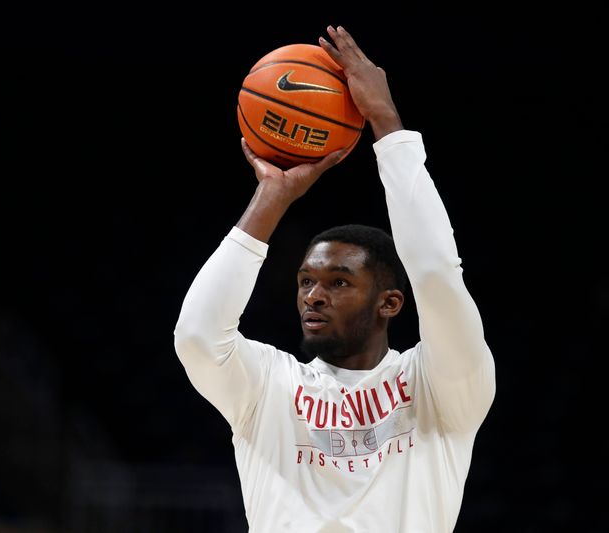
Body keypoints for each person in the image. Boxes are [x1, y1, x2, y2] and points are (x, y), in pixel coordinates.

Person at [173, 24, 496, 533]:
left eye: (339, 282)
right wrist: (271, 197)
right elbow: (195, 336)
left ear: (390, 303)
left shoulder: (438, 385)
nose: (314, 296)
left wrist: (387, 124)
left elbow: (435, 275)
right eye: (305, 282)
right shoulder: (269, 387)